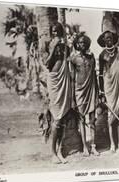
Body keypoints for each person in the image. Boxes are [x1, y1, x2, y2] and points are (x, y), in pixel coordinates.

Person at [45, 22, 72, 163]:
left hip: (64, 81)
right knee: (56, 118)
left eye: (57, 31)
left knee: (63, 118)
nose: (55, 33)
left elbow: (69, 63)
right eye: (53, 31)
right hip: (54, 82)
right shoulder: (48, 44)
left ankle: (60, 150)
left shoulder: (66, 47)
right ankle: (53, 153)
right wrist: (53, 48)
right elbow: (47, 64)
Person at [97, 29, 119, 153]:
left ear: (113, 39)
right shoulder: (102, 55)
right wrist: (102, 92)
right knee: (111, 116)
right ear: (104, 40)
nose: (108, 40)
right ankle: (112, 145)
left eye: (110, 38)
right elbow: (100, 74)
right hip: (108, 87)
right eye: (106, 38)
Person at [70, 32, 100, 156]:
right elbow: (72, 79)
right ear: (77, 44)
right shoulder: (73, 58)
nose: (82, 44)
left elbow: (94, 76)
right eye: (80, 42)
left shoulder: (91, 58)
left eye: (84, 42)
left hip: (91, 90)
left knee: (92, 119)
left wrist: (98, 93)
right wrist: (72, 98)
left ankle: (93, 146)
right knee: (81, 119)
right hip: (79, 92)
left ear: (87, 44)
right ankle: (84, 147)